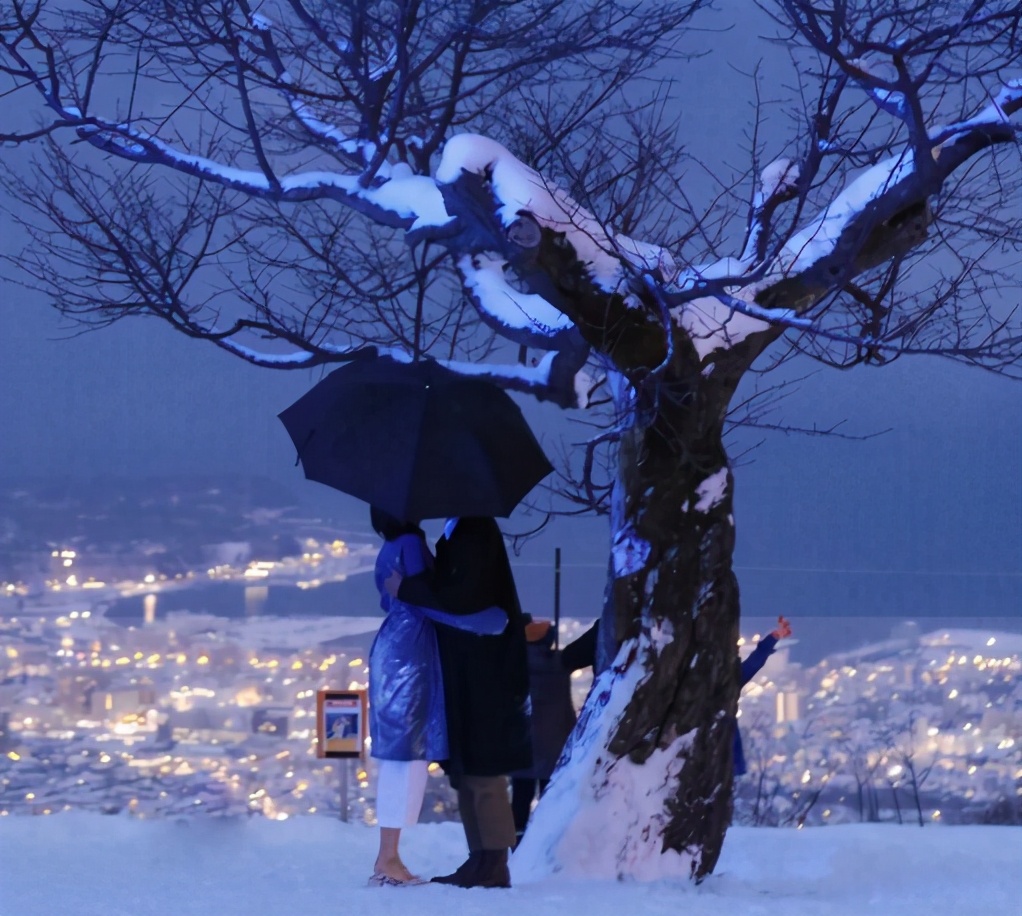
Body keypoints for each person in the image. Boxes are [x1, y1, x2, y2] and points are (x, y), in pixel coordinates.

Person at [387, 516, 531, 889]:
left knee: (482, 771)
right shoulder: (462, 532)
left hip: (484, 672)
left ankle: (494, 862)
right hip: (467, 670)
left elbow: (463, 598)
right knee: (467, 770)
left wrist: (408, 588)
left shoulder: (475, 531)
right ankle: (480, 858)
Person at [510, 617, 577, 846]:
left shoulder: (514, 669)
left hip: (522, 746)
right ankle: (548, 843)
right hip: (554, 746)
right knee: (549, 797)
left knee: (520, 797)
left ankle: (516, 843)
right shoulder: (560, 664)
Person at [734, 615, 792, 776]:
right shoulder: (727, 681)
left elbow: (754, 661)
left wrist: (774, 637)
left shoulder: (727, 680)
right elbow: (754, 662)